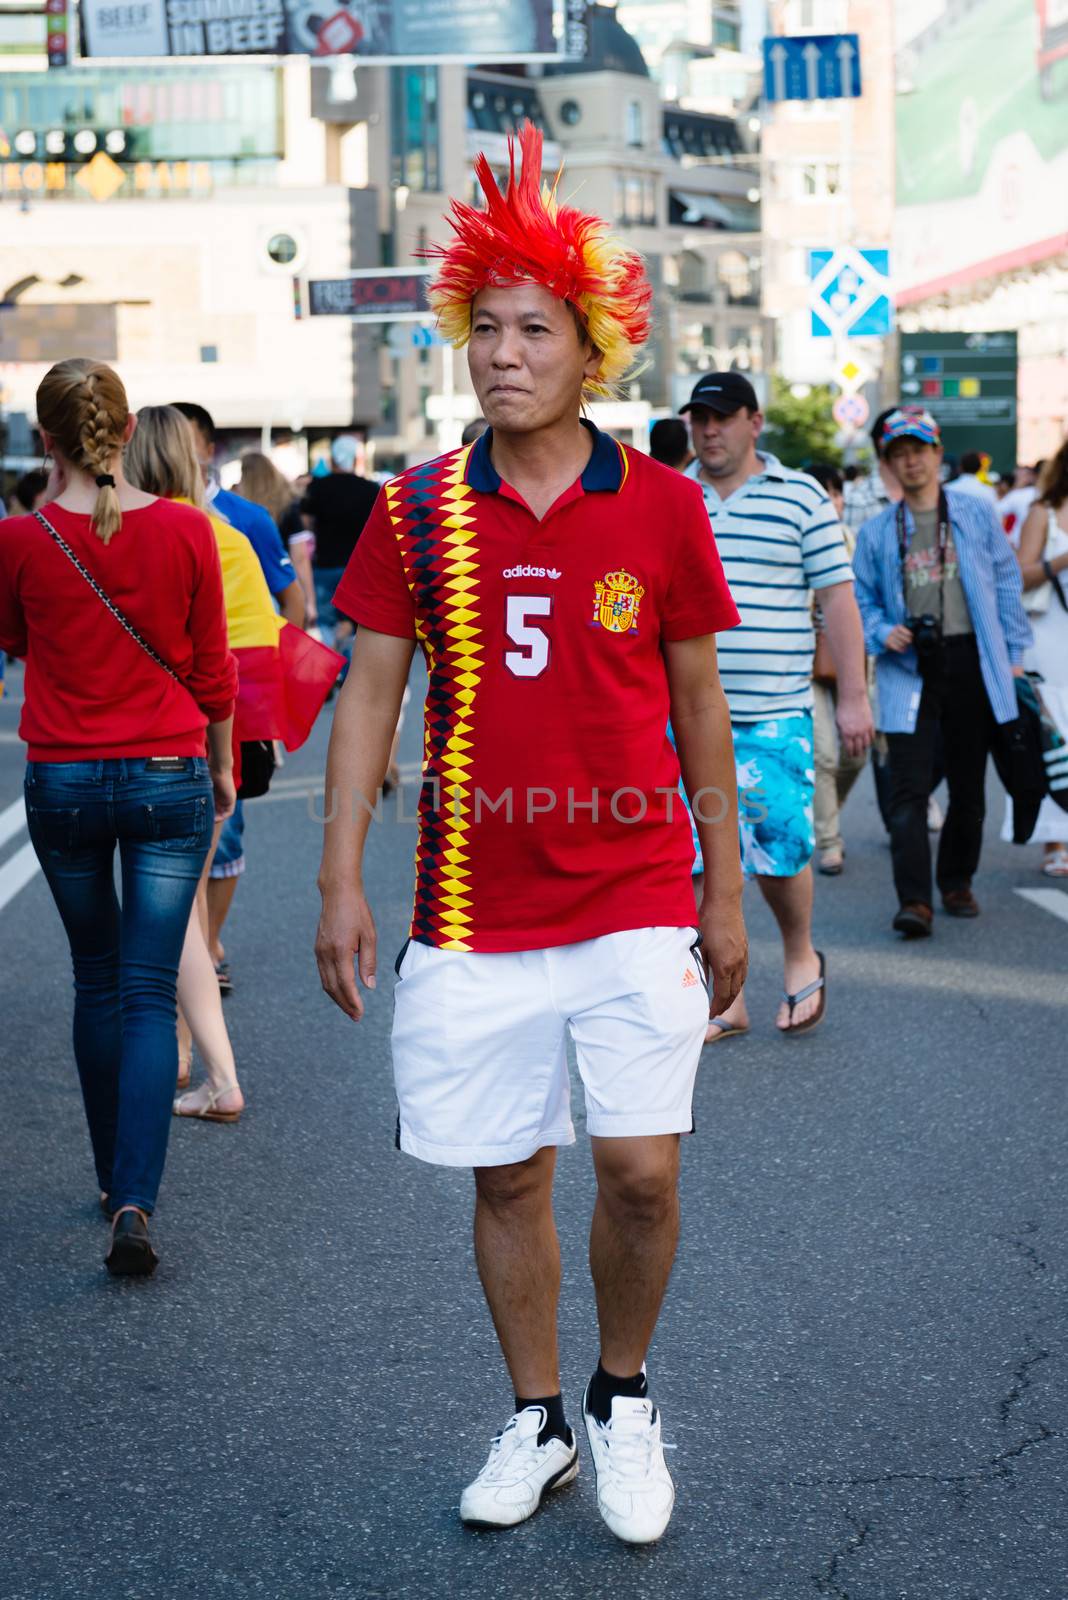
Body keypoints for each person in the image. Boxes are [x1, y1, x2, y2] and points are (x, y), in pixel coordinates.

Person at [315, 123, 746, 1546]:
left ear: (591, 346)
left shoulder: (667, 504)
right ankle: (539, 1415)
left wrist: (728, 892)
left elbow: (702, 715)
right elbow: (370, 693)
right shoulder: (416, 508)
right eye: (486, 329)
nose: (505, 354)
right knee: (508, 1175)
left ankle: (623, 1399)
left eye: (536, 330)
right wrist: (339, 883)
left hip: (632, 889)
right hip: (469, 901)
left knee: (641, 1172)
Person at [0, 360, 236, 1274]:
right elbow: (212, 669)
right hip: (166, 771)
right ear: (129, 425)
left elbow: (16, 639)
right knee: (148, 991)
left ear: (43, 438)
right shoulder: (185, 532)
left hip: (62, 779)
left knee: (95, 981)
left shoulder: (18, 541)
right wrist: (219, 766)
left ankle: (108, 1178)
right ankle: (135, 1199)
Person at [679, 371, 872, 1039]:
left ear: (754, 423)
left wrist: (852, 697)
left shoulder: (801, 498)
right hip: (683, 717)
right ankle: (725, 996)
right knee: (697, 858)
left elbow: (839, 601)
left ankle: (798, 956)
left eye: (723, 418)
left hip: (775, 709)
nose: (709, 430)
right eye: (699, 419)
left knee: (781, 853)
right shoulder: (672, 497)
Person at [853, 408, 1031, 937]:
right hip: (908, 668)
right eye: (899, 453)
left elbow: (1005, 583)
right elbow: (858, 596)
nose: (911, 461)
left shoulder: (976, 514)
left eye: (919, 450)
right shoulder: (879, 531)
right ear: (888, 463)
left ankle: (956, 881)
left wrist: (1015, 654)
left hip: (973, 661)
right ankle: (915, 901)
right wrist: (882, 629)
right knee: (906, 788)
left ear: (937, 453)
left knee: (969, 786)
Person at [171, 401, 305, 628]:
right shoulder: (143, 512)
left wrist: (277, 660)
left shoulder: (250, 518)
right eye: (169, 444)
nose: (176, 454)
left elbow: (292, 601)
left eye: (187, 444)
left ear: (210, 451)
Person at [1001, 441, 1068, 875]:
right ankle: (1055, 842)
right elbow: (1019, 574)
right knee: (1054, 738)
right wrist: (1063, 559)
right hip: (1050, 636)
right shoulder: (1044, 511)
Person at [807, 463, 869, 875]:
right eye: (825, 492)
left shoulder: (855, 541)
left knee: (856, 755)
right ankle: (830, 840)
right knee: (825, 754)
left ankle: (828, 809)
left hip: (850, 656)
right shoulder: (797, 534)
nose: (833, 500)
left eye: (837, 492)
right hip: (807, 658)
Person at [300, 433, 380, 664]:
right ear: (355, 460)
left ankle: (327, 669)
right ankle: (350, 670)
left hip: (324, 566)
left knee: (324, 623)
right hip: (359, 568)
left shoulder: (318, 488)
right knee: (358, 624)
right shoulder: (370, 489)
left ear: (333, 459)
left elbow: (305, 525)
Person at [237, 450, 315, 627]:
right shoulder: (288, 507)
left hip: (246, 595)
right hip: (283, 591)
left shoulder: (237, 513)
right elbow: (300, 558)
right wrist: (309, 602)